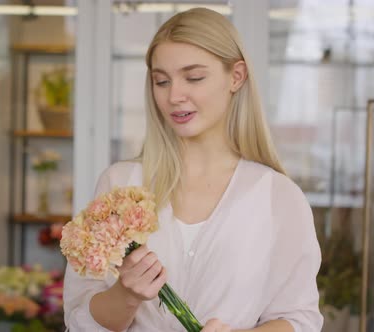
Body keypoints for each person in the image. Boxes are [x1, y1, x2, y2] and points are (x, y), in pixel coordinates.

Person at [63, 7, 323, 332]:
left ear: (236, 76)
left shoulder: (278, 197)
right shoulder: (120, 183)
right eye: (161, 81)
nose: (174, 96)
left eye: (194, 77)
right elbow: (78, 317)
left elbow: (300, 319)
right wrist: (126, 294)